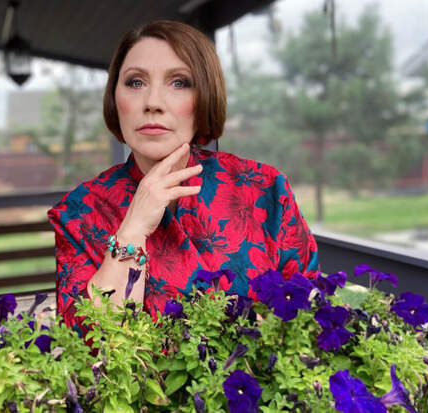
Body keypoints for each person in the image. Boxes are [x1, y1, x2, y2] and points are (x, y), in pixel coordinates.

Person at [47, 20, 319, 333]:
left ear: (205, 96)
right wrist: (133, 230)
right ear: (114, 98)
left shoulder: (266, 190)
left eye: (179, 83)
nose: (153, 103)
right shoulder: (79, 212)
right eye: (136, 82)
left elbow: (310, 324)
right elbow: (89, 345)